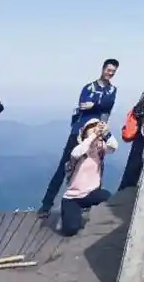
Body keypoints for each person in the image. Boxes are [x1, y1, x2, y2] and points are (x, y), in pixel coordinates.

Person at [38, 58, 119, 217]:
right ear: (102, 69)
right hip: (79, 131)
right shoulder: (89, 87)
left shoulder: (112, 90)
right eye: (108, 70)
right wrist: (99, 105)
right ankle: (46, 205)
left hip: (97, 133)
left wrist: (94, 106)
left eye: (113, 72)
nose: (110, 73)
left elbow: (107, 106)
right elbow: (84, 104)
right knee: (65, 165)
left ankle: (87, 203)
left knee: (96, 166)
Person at [60, 119, 118, 236]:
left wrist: (106, 133)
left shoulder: (100, 150)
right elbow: (76, 153)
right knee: (71, 229)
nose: (95, 129)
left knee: (110, 200)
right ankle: (68, 216)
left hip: (91, 194)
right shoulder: (79, 150)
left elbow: (113, 146)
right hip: (73, 198)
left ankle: (89, 215)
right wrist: (93, 136)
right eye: (91, 127)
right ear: (85, 132)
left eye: (96, 127)